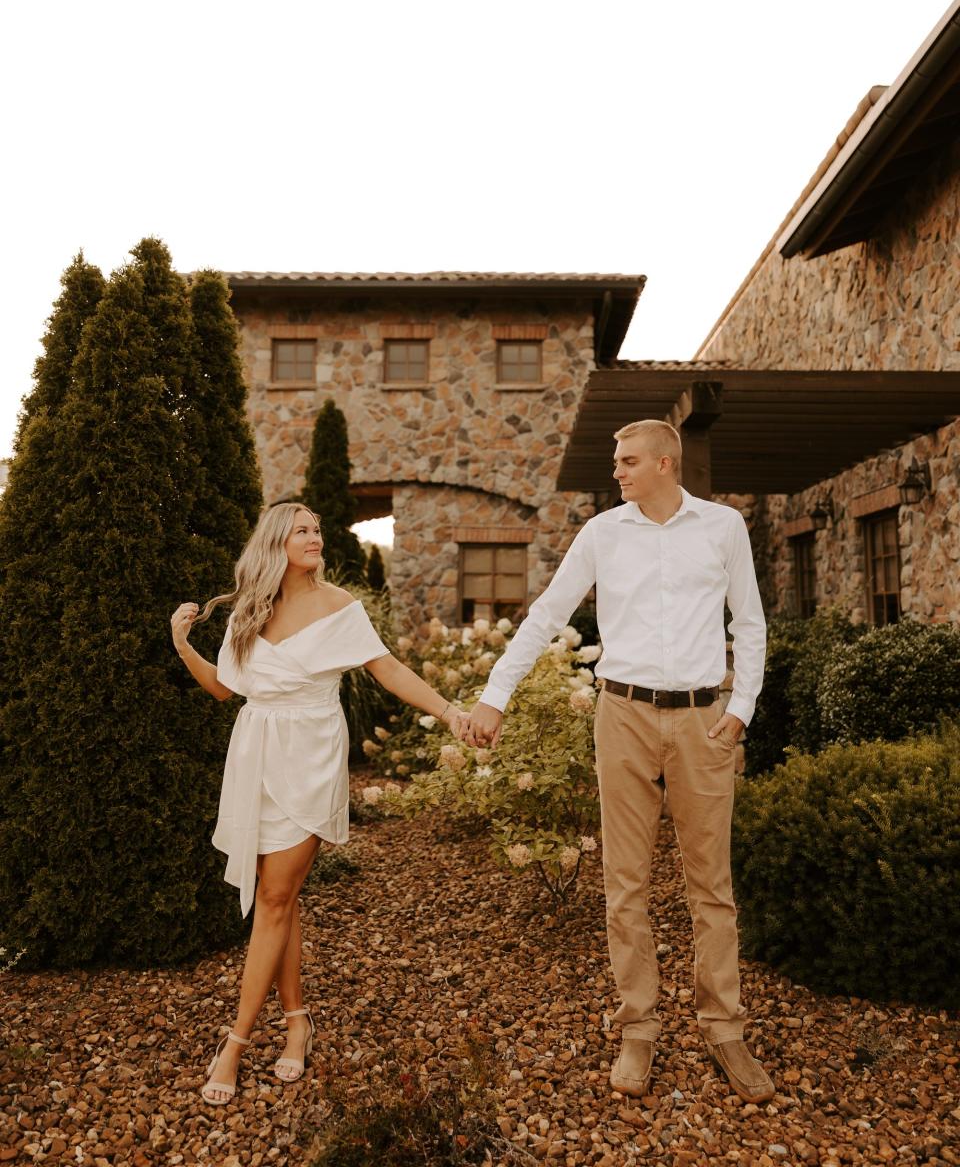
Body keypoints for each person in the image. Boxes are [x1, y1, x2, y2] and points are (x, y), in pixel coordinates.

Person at [464, 420, 775, 1105]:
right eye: (617, 461)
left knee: (712, 888)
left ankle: (725, 1028)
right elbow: (546, 613)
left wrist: (743, 706)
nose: (619, 472)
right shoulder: (603, 534)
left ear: (667, 462)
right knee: (624, 886)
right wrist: (496, 696)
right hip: (624, 715)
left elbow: (748, 622)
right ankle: (639, 1027)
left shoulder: (722, 528)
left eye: (629, 461)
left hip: (703, 720)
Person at [171, 501, 468, 1106]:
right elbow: (224, 688)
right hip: (255, 752)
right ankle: (297, 1020)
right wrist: (181, 643)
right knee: (279, 897)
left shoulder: (340, 607)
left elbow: (388, 670)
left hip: (308, 754)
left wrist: (450, 712)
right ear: (276, 542)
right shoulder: (250, 609)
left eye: (317, 530)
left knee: (275, 897)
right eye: (302, 530)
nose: (315, 538)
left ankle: (234, 1042)